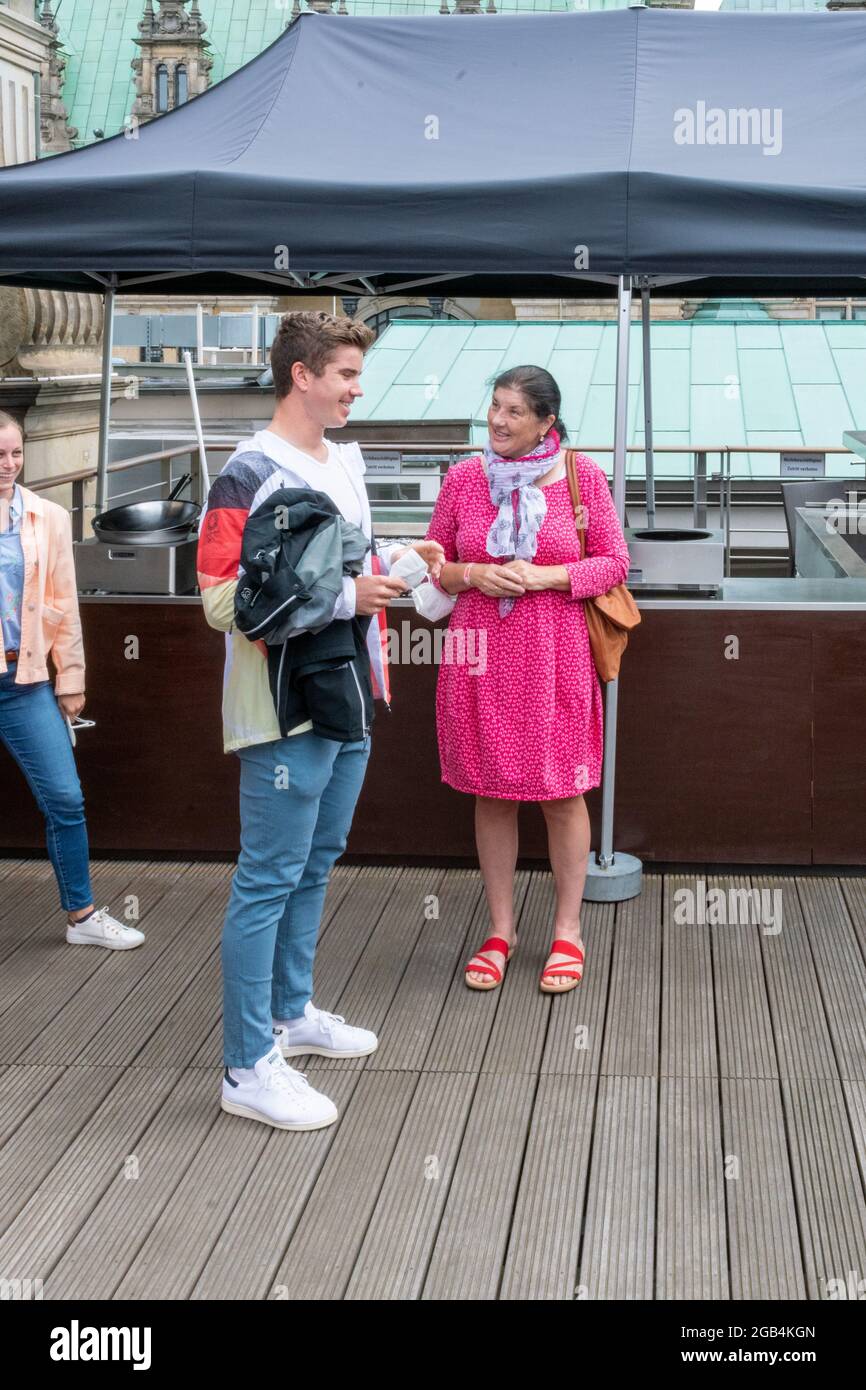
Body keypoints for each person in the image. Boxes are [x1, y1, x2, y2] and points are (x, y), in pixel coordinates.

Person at [197, 311, 444, 1132]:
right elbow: (221, 600)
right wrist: (347, 596)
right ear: (301, 374)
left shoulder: (345, 459)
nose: (355, 388)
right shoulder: (244, 473)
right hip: (279, 708)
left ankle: (290, 1016)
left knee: (314, 863)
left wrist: (406, 565)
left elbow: (354, 567)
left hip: (348, 697)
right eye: (344, 373)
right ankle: (244, 1067)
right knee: (267, 876)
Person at [424, 366, 631, 995]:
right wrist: (472, 575)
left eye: (514, 412)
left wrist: (543, 577)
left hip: (554, 653)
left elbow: (617, 563)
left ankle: (567, 930)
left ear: (546, 421)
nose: (498, 422)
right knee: (491, 789)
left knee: (561, 791)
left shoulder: (580, 474)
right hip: (476, 650)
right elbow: (432, 566)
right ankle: (501, 928)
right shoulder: (463, 477)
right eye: (494, 408)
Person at [0, 410, 144, 949]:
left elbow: (65, 604)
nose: (9, 465)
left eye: (15, 453)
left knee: (65, 797)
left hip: (25, 678)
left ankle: (82, 918)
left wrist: (71, 679)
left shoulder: (48, 516)